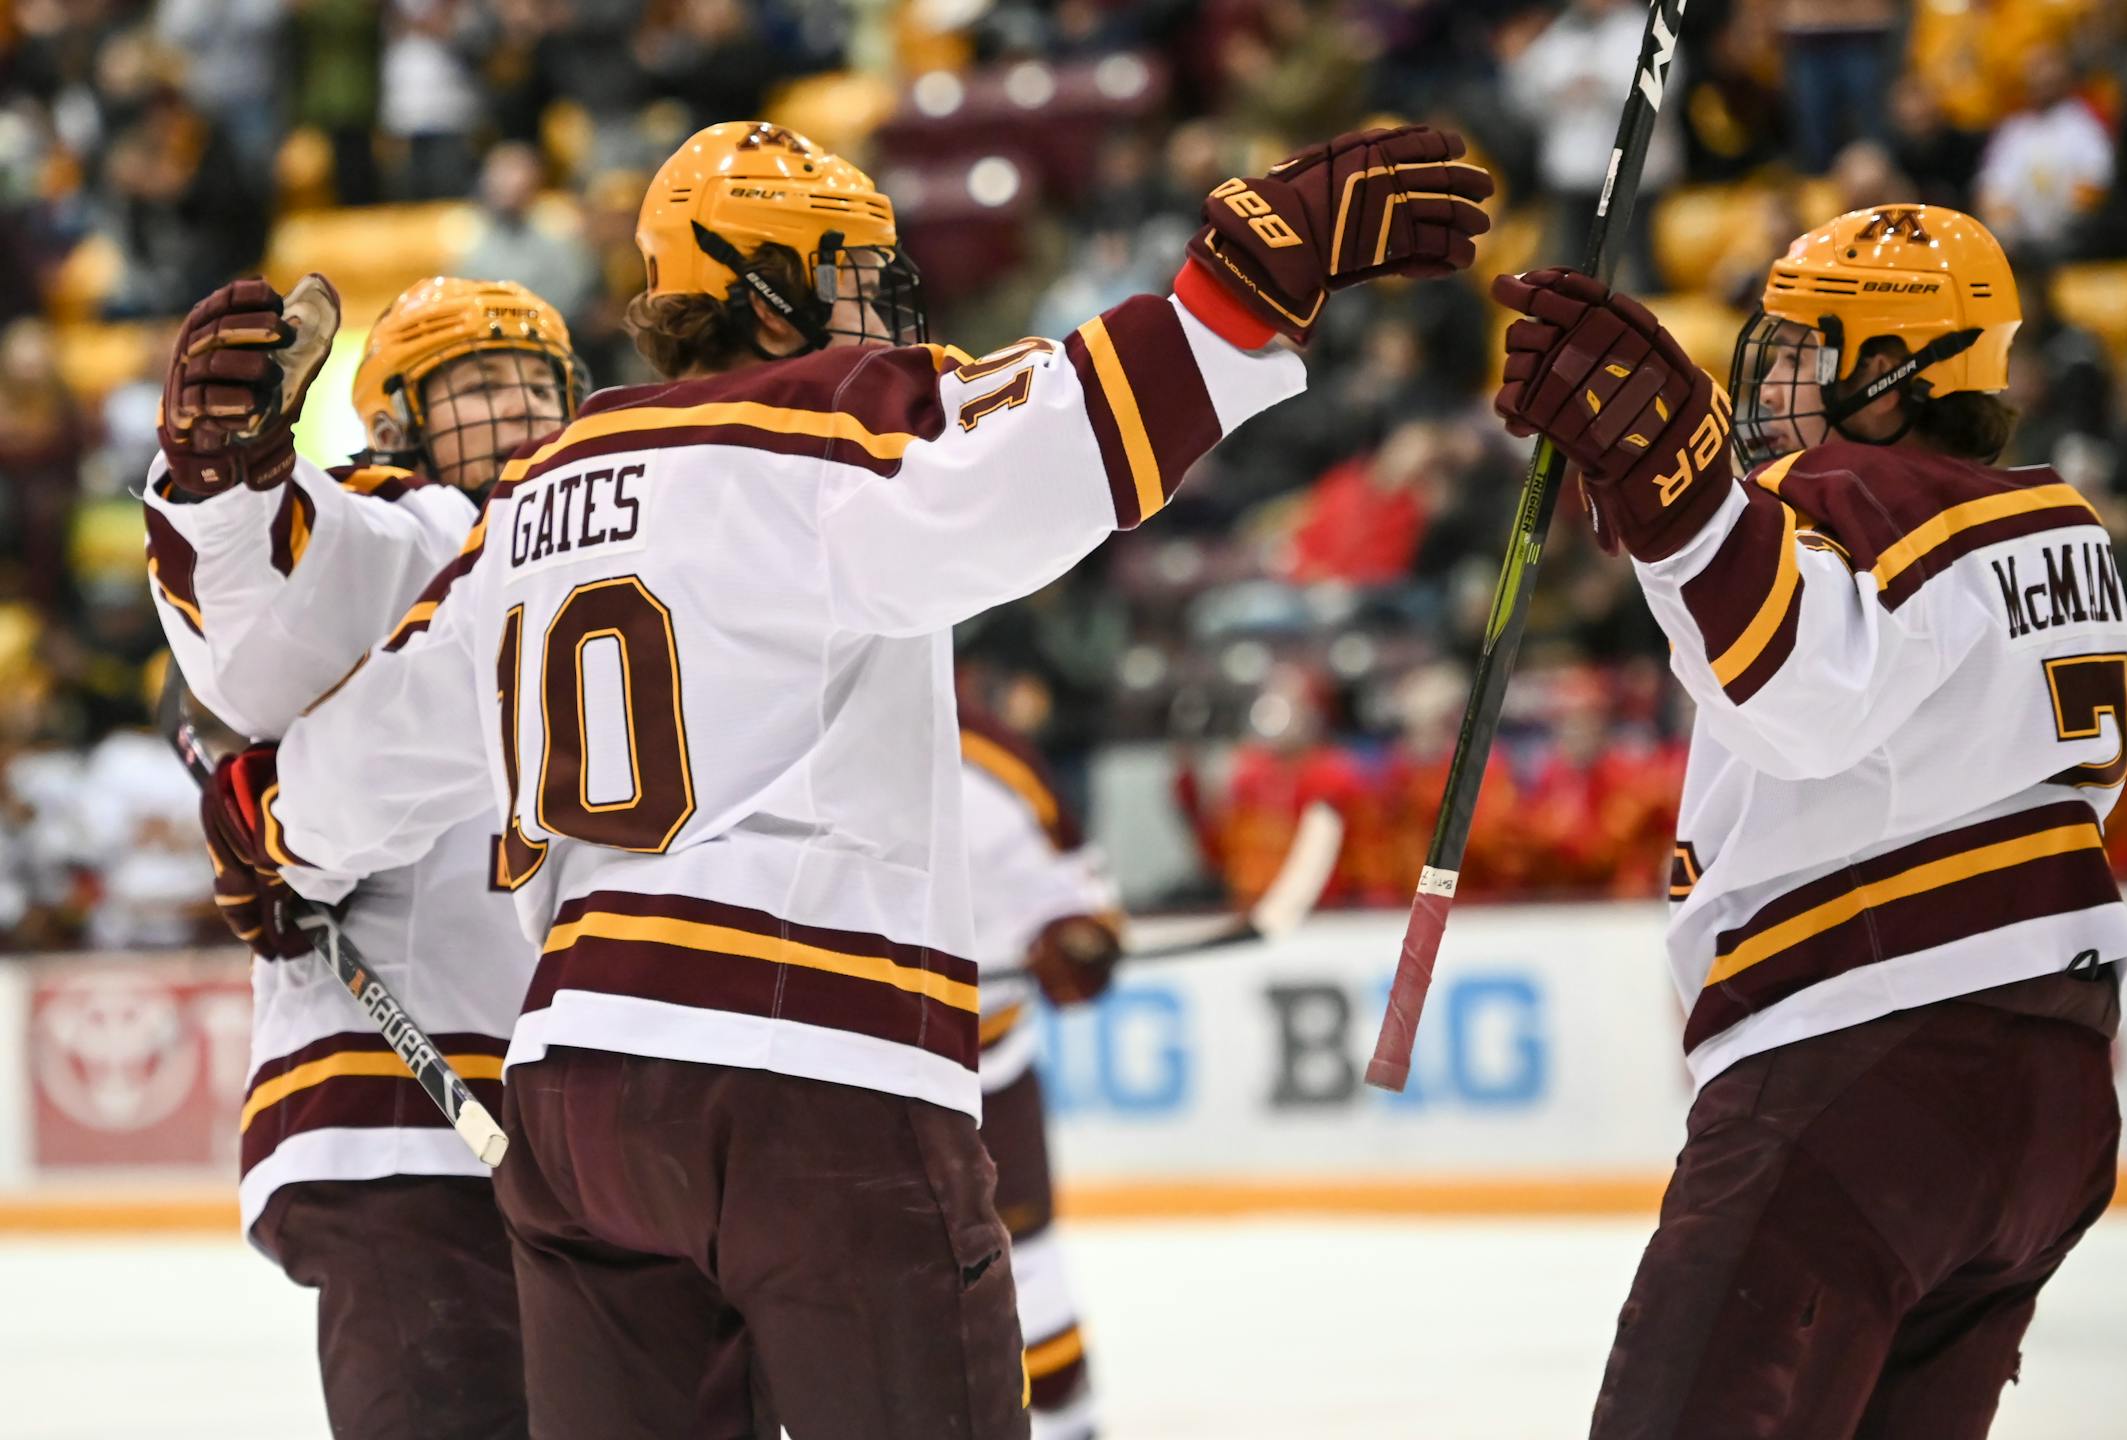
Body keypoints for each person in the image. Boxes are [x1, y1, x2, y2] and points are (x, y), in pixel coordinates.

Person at [190, 118, 1491, 1437]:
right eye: (851, 266)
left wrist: (274, 837)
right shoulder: (830, 419)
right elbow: (1059, 438)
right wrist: (1233, 298)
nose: (882, 299)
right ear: (764, 286)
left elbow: (384, 737)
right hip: (807, 1080)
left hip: (576, 1102)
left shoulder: (533, 494)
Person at [1487, 205, 2127, 1436]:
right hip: (2054, 1096)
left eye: (1806, 347)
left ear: (1895, 375)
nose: (1773, 376)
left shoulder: (1856, 485)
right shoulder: (2066, 528)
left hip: (1862, 1079)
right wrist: (1672, 516)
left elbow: (1803, 691)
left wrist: (1679, 502)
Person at [147, 272, 583, 1439]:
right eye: (484, 382)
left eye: (540, 381)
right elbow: (265, 623)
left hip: (603, 1133)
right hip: (406, 1120)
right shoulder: (413, 527)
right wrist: (227, 481)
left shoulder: (617, 543)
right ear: (395, 422)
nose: (525, 408)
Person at [958, 699, 1123, 1439]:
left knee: (1027, 1261)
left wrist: (1077, 940)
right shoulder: (767, 719)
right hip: (834, 1071)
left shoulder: (987, 752)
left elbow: (1076, 897)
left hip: (984, 1062)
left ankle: (1069, 1420)